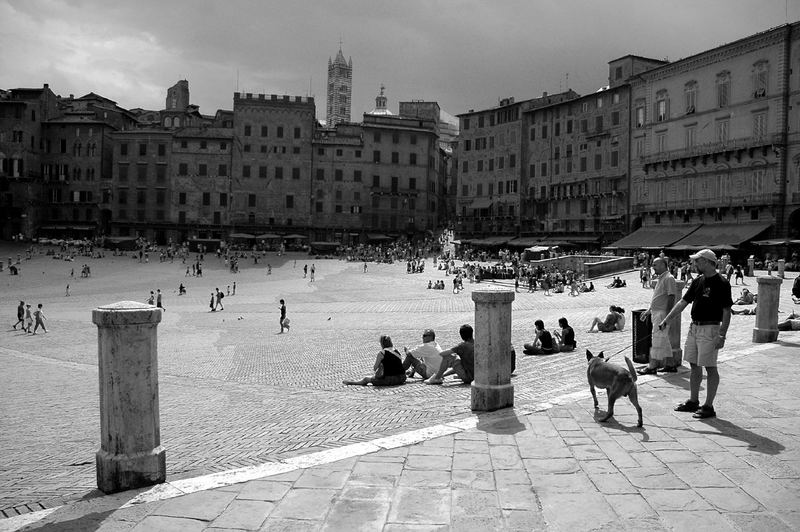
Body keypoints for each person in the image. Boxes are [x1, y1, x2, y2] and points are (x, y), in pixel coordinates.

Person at [659, 248, 733, 419]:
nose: (694, 264)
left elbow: (726, 311)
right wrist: (667, 320)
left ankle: (708, 406)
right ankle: (693, 401)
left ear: (707, 261)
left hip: (710, 328)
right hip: (695, 327)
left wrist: (722, 334)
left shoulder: (721, 282)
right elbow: (683, 302)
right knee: (693, 363)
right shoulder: (698, 281)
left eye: (697, 261)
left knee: (710, 366)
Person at [638, 257, 678, 375]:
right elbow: (658, 298)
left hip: (662, 314)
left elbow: (671, 297)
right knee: (663, 340)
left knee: (656, 340)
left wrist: (667, 317)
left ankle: (652, 366)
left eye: (655, 265)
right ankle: (670, 365)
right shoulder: (661, 278)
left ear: (663, 265)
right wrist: (648, 311)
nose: (653, 267)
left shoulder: (669, 278)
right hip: (657, 313)